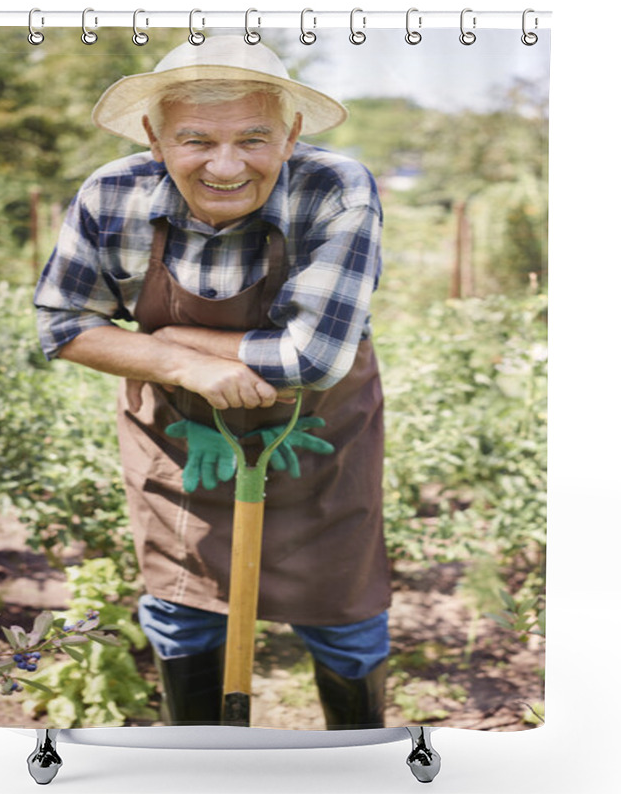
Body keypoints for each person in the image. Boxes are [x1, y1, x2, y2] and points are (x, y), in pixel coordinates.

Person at [34, 35, 391, 730]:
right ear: (154, 136)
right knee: (179, 608)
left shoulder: (334, 189)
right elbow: (63, 322)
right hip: (177, 445)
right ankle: (197, 763)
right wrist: (177, 365)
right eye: (196, 139)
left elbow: (313, 360)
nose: (226, 165)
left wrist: (171, 334)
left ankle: (361, 761)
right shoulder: (111, 195)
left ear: (290, 135)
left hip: (316, 446)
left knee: (343, 616)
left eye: (254, 138)